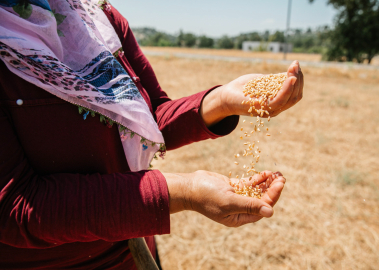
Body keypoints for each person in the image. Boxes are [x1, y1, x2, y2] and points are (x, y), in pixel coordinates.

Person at [0, 0, 304, 269]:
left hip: (136, 248)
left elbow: (150, 116)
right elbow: (15, 204)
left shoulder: (97, 15)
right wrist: (184, 191)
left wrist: (221, 101)